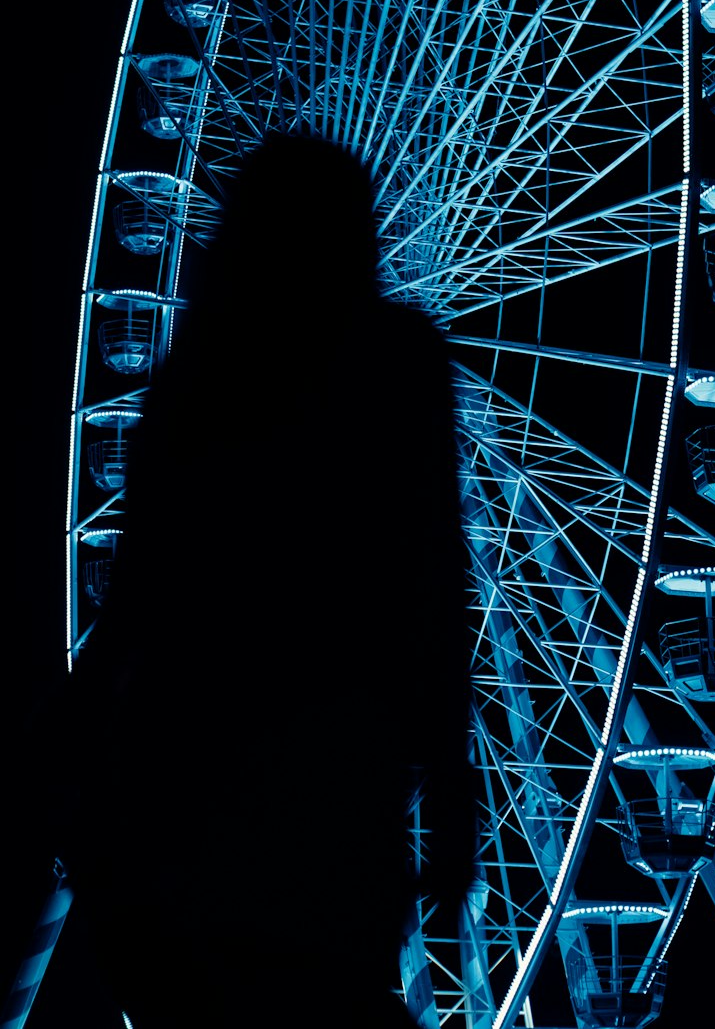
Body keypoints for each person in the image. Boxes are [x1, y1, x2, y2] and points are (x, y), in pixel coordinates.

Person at [56, 132, 476, 1025]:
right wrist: (450, 792)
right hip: (332, 799)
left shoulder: (192, 384)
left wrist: (69, 781)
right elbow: (437, 585)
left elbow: (134, 613)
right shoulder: (399, 363)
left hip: (182, 796)